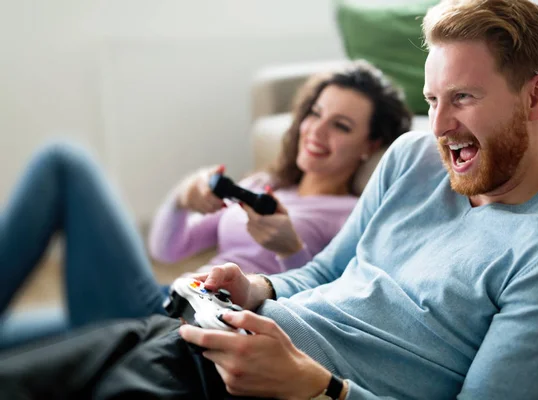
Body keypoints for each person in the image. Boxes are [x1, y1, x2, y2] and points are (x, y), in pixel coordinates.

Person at [1, 0, 538, 399]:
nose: (440, 125)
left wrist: (317, 387)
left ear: (537, 95)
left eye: (464, 98)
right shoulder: (413, 158)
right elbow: (324, 271)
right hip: (196, 334)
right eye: (432, 99)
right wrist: (257, 288)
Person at [0, 60, 413, 350]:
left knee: (65, 162)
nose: (316, 132)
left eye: (340, 126)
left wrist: (291, 249)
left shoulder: (350, 214)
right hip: (167, 296)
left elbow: (326, 294)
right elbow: (166, 250)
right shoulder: (266, 184)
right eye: (314, 114)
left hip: (173, 327)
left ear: (371, 145)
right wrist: (184, 198)